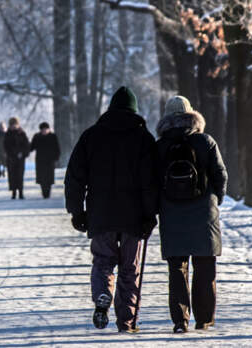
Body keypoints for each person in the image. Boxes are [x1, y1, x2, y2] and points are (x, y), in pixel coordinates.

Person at [65, 86, 158, 333]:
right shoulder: (144, 139)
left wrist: (77, 211)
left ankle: (102, 295)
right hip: (134, 217)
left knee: (103, 261)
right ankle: (126, 321)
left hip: (101, 214)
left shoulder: (91, 136)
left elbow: (74, 176)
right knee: (130, 268)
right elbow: (150, 182)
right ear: (134, 110)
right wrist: (151, 214)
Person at [155, 96, 227, 334]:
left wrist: (157, 207)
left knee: (177, 268)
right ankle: (204, 319)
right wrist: (214, 199)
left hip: (171, 214)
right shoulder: (205, 141)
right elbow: (220, 175)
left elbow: (151, 181)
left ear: (166, 118)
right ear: (192, 115)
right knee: (205, 266)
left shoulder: (160, 146)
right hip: (203, 213)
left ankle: (180, 320)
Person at [30, 122, 60, 199]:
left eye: (45, 129)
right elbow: (31, 147)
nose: (44, 131)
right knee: (42, 178)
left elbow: (57, 148)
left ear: (48, 129)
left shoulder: (53, 136)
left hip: (50, 160)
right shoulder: (37, 137)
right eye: (42, 129)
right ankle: (44, 192)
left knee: (49, 178)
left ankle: (48, 192)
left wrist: (56, 157)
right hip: (40, 161)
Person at [4, 117, 30, 199]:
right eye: (12, 125)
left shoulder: (22, 133)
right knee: (12, 176)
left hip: (20, 159)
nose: (14, 126)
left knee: (20, 176)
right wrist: (12, 154)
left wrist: (22, 153)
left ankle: (21, 192)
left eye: (15, 124)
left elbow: (27, 145)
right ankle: (14, 192)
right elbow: (5, 146)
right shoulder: (7, 134)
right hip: (11, 158)